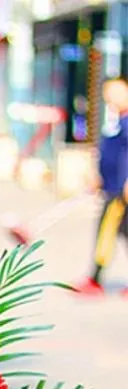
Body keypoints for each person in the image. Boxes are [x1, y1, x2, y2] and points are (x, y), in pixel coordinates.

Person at [75, 77, 128, 296]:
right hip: (112, 186)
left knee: (106, 231)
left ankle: (95, 279)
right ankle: (95, 278)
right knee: (122, 232)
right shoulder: (116, 121)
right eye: (108, 94)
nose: (111, 98)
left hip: (120, 190)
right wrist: (97, 175)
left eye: (116, 92)